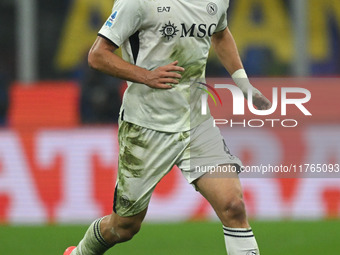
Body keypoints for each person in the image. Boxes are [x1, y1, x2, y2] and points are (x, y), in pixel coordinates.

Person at [64, 0, 271, 254]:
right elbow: (97, 55)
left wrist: (244, 84)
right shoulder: (137, 3)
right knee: (124, 227)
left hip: (196, 122)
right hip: (146, 126)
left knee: (233, 206)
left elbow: (220, 34)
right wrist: (146, 76)